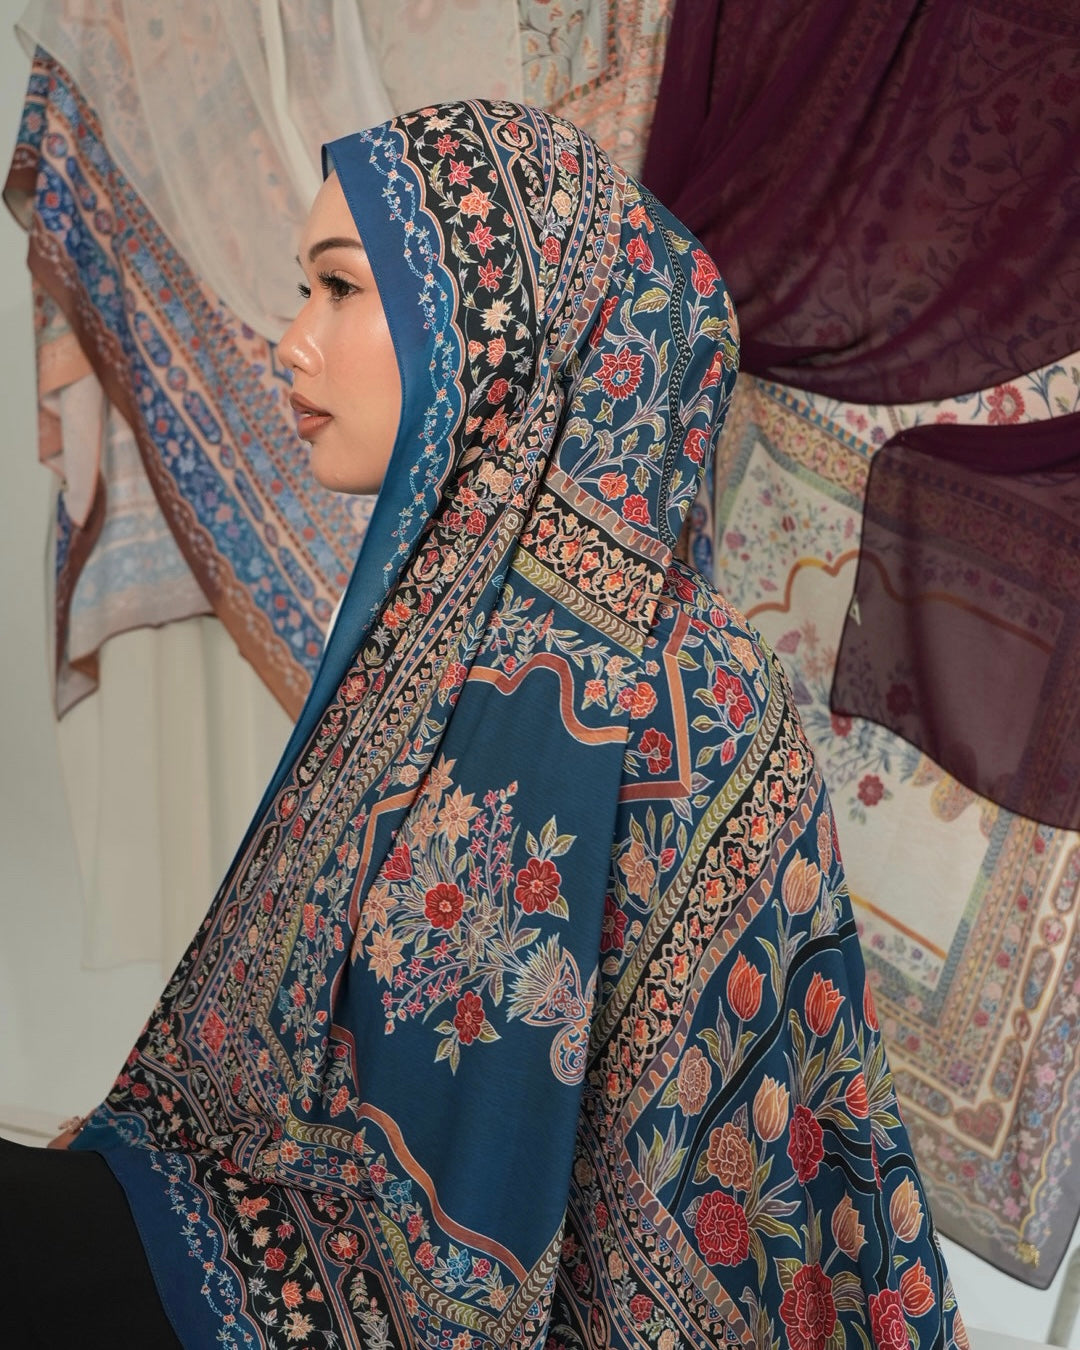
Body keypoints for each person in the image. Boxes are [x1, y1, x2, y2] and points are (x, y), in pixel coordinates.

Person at [2, 100, 968, 1350]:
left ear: (501, 329)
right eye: (304, 290)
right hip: (263, 1240)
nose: (291, 344)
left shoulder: (691, 700)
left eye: (342, 289)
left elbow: (702, 1194)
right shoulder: (435, 627)